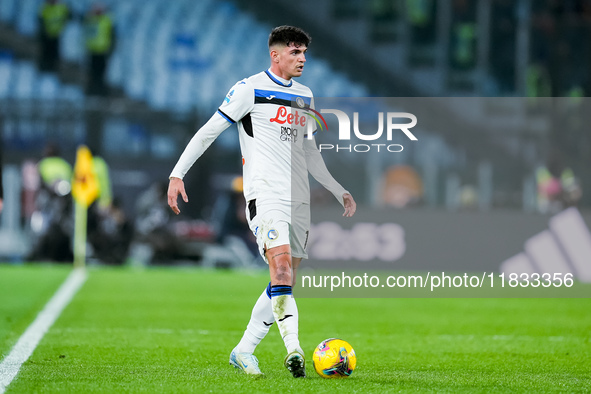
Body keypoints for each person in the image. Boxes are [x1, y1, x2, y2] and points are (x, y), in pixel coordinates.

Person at [167, 26, 356, 378]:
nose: (302, 59)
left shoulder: (305, 95)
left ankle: (244, 350)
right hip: (265, 194)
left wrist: (334, 186)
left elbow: (310, 150)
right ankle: (294, 350)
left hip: (298, 199)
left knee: (283, 282)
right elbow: (209, 130)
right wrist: (177, 174)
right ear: (276, 54)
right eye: (295, 52)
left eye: (304, 54)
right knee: (281, 269)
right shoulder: (248, 89)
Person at [84, 3, 115, 96]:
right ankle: (92, 91)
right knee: (93, 72)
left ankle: (100, 91)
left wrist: (110, 49)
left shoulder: (107, 20)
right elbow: (87, 35)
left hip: (103, 51)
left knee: (101, 72)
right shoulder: (90, 20)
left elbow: (112, 36)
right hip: (93, 51)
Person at [38, 0, 70, 72]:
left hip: (56, 34)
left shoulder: (61, 8)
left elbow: (68, 16)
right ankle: (44, 67)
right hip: (46, 34)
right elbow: (41, 21)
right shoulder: (45, 8)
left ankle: (53, 68)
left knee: (54, 52)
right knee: (45, 52)